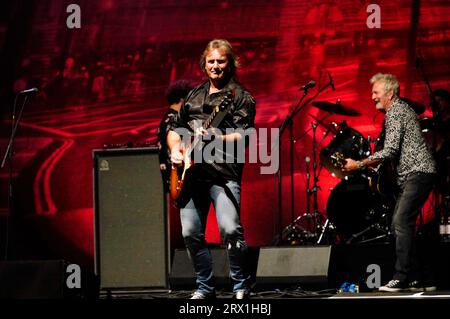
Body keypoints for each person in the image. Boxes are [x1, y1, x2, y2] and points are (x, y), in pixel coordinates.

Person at [166, 39, 256, 299]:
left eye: (221, 61)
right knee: (191, 233)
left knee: (230, 230)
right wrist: (175, 149)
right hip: (191, 175)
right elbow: (174, 129)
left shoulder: (241, 97)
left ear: (230, 64)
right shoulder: (194, 95)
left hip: (223, 174)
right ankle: (205, 287)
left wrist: (218, 136)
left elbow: (245, 136)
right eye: (211, 61)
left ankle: (241, 285)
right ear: (204, 64)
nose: (215, 66)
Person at [343, 73, 437, 292]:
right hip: (415, 173)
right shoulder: (397, 111)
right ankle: (421, 277)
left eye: (376, 92)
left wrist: (359, 164)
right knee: (401, 224)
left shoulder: (396, 111)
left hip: (418, 172)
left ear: (390, 93)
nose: (372, 96)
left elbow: (391, 150)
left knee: (401, 222)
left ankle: (401, 277)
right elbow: (393, 152)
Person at [157, 80, 194, 193]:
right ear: (183, 100)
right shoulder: (176, 119)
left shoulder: (166, 118)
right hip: (178, 175)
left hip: (172, 177)